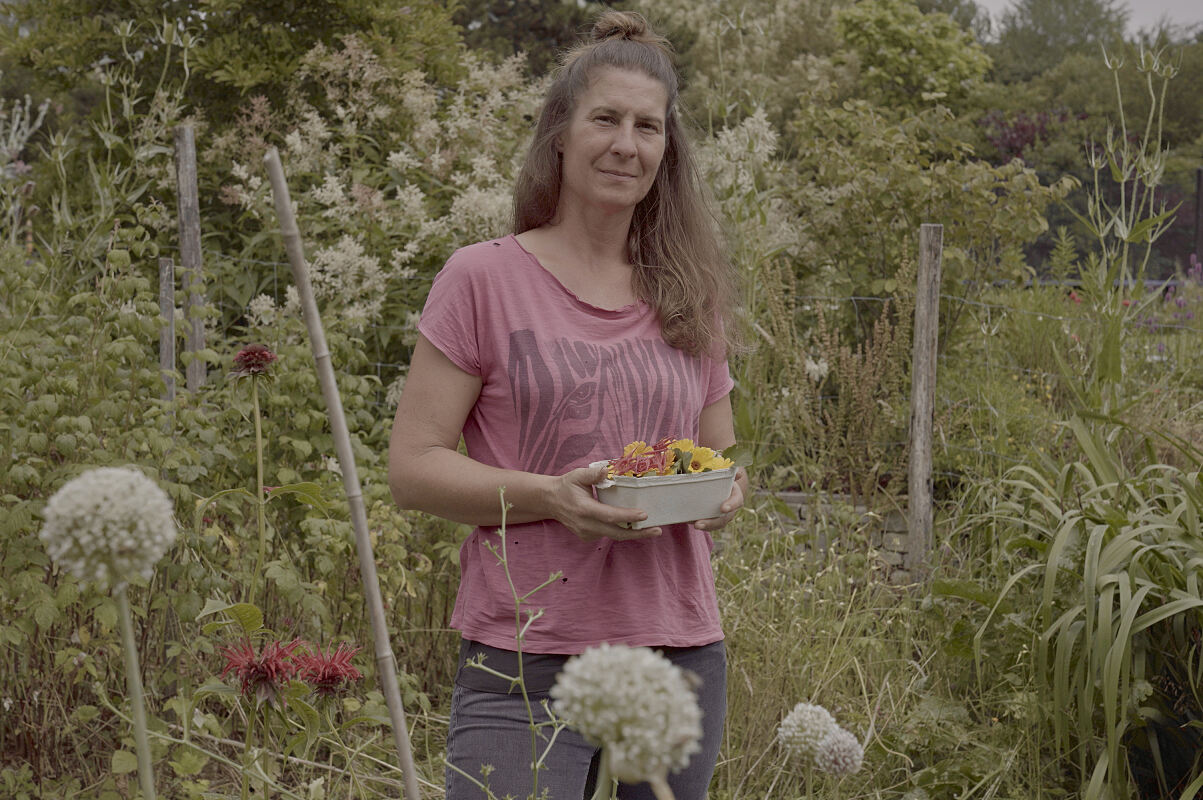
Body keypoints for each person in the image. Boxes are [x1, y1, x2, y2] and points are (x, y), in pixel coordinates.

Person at [388, 10, 748, 800]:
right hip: (526, 654)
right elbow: (412, 470)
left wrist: (720, 497)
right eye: (606, 119)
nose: (626, 143)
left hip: (676, 651)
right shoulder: (482, 279)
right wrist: (551, 498)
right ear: (560, 132)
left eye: (647, 126)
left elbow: (717, 458)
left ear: (666, 149)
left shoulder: (687, 292)